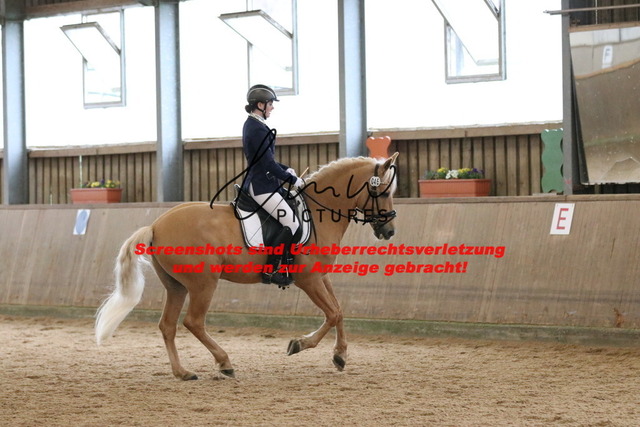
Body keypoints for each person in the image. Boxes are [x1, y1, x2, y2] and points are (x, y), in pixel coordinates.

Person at [242, 84, 304, 286]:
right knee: (292, 224)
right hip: (262, 186)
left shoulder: (255, 124)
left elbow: (267, 160)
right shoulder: (256, 128)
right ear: (260, 105)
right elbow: (267, 164)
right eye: (270, 104)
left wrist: (286, 170)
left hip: (266, 182)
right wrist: (293, 180)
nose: (272, 107)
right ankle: (271, 270)